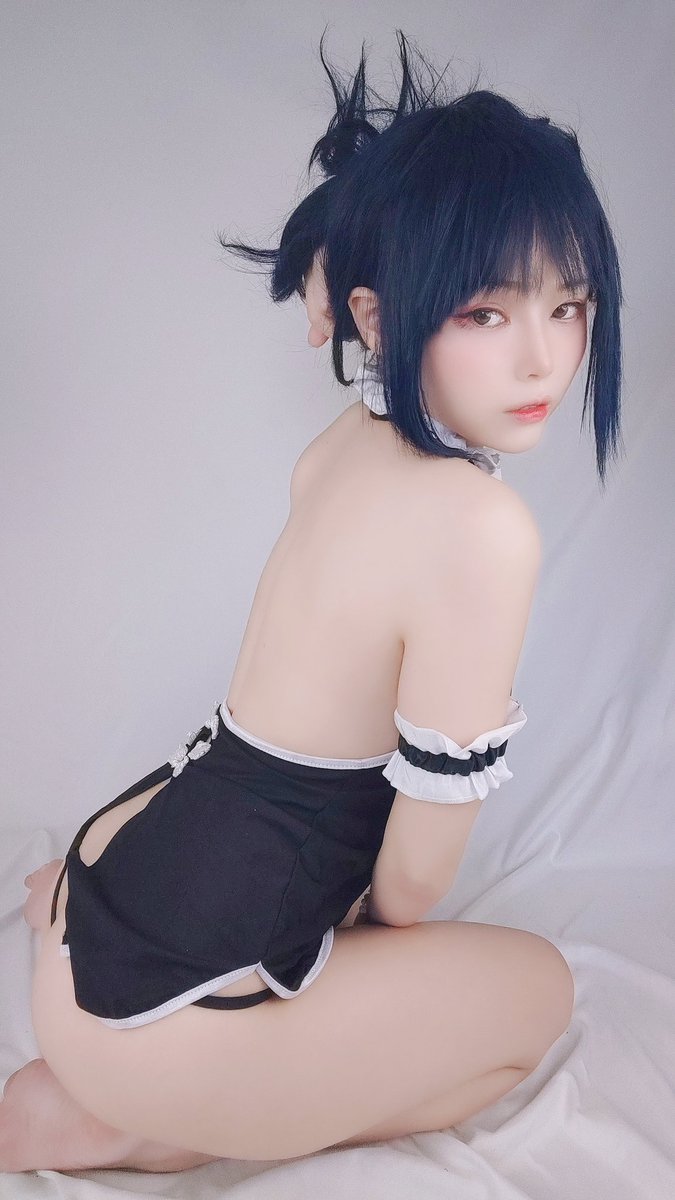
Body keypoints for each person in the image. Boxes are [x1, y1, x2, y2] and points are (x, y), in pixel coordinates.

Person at [3, 27, 623, 1173]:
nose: (543, 361)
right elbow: (414, 888)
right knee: (535, 999)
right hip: (165, 1019)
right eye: (487, 314)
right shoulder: (483, 531)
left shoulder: (351, 440)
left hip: (98, 896)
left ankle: (148, 1075)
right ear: (387, 316)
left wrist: (346, 283)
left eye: (568, 307)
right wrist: (352, 967)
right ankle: (139, 1125)